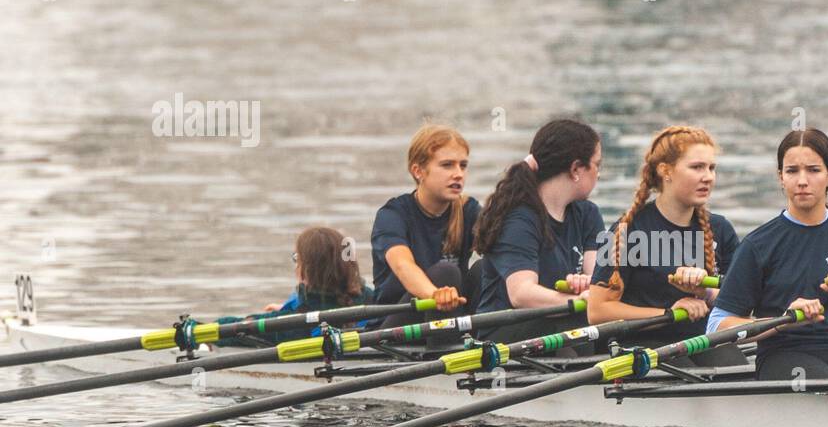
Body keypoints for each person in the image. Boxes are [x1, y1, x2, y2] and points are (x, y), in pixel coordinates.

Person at [707, 128, 828, 381]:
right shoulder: (758, 245)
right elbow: (717, 325)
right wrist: (782, 321)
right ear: (781, 177)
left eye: (813, 170)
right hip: (784, 353)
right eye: (792, 171)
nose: (802, 181)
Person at [587, 125, 742, 364]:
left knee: (733, 368)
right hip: (640, 342)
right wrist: (669, 314)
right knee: (683, 372)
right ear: (665, 171)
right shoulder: (627, 230)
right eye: (697, 167)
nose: (708, 177)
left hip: (699, 339)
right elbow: (597, 311)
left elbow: (740, 303)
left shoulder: (720, 230)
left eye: (712, 168)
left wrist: (706, 293)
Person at [474, 119, 604, 343]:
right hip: (505, 332)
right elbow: (521, 294)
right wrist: (577, 301)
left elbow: (599, 279)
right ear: (575, 169)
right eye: (597, 165)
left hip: (560, 323)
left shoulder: (588, 214)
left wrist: (589, 286)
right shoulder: (518, 220)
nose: (599, 174)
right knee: (577, 325)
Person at [370, 124, 476, 326]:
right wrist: (435, 294)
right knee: (446, 273)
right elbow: (403, 265)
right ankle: (444, 350)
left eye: (463, 165)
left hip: (450, 316)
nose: (458, 174)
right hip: (397, 324)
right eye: (447, 165)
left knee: (484, 268)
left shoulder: (468, 210)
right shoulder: (392, 215)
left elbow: (506, 245)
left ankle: (484, 338)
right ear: (418, 171)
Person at [217, 226, 374, 344]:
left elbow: (231, 328)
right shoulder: (373, 300)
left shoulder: (294, 324)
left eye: (297, 258)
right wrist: (289, 308)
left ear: (307, 269)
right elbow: (334, 307)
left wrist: (196, 328)